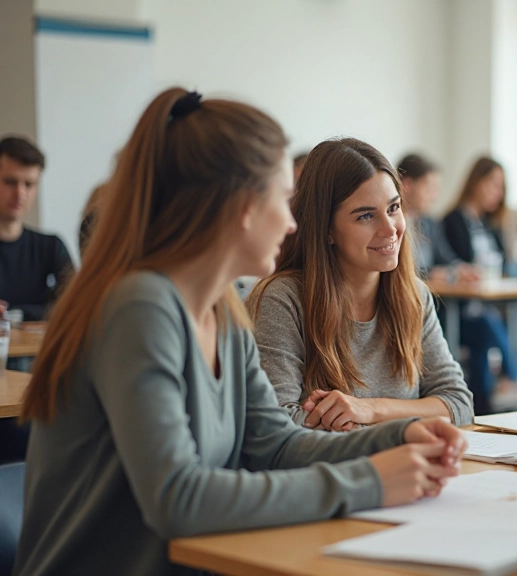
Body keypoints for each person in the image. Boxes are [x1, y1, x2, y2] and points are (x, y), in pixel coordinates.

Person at [14, 88, 466, 576]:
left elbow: (276, 444)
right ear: (240, 207)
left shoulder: (222, 310)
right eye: (283, 200)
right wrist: (371, 481)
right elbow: (177, 499)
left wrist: (399, 434)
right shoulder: (140, 307)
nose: (293, 223)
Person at [247, 140, 473, 431]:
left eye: (393, 208)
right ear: (326, 229)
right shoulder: (282, 300)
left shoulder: (414, 296)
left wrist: (369, 409)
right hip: (347, 464)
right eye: (366, 216)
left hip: (405, 459)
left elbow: (459, 404)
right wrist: (402, 425)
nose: (390, 229)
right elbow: (278, 424)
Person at [442, 157, 517, 414]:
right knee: (486, 325)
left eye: (501, 187)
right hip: (459, 312)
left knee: (483, 337)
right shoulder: (453, 221)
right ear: (476, 182)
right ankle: (513, 378)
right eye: (494, 184)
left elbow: (503, 263)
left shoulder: (490, 223)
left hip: (487, 305)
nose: (498, 193)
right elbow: (449, 263)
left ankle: (481, 406)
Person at [0, 136, 74, 321]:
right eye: (10, 182)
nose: (20, 193)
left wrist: (15, 313)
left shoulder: (51, 246)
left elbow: (77, 303)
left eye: (29, 184)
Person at [397, 153, 475, 282]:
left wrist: (460, 269)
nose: (434, 197)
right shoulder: (391, 224)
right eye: (429, 188)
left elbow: (445, 257)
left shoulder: (429, 223)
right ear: (407, 185)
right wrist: (430, 274)